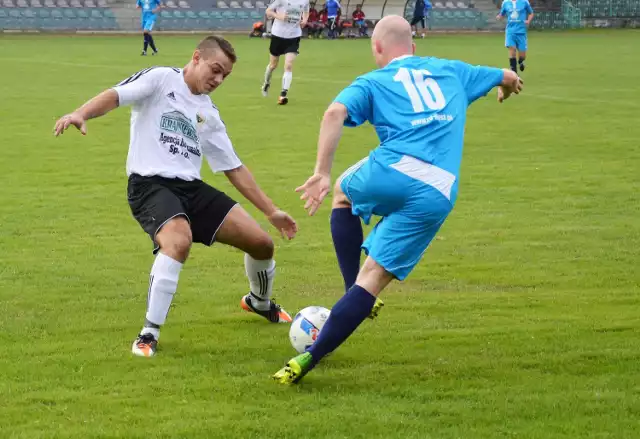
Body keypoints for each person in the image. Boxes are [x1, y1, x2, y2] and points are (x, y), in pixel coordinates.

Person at [272, 15, 523, 384]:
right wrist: (507, 83)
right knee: (372, 278)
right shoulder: (452, 70)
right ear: (414, 47)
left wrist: (322, 172)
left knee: (341, 190)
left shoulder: (374, 81)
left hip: (394, 171)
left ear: (377, 48)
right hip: (439, 191)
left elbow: (334, 113)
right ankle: (307, 360)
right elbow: (505, 74)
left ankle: (347, 290)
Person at [53, 36, 298, 358]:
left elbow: (233, 167)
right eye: (215, 70)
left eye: (225, 75)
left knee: (262, 243)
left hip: (191, 188)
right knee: (178, 242)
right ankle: (149, 332)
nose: (218, 79)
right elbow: (117, 95)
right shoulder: (160, 79)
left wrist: (271, 211)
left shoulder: (208, 112)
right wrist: (81, 113)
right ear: (196, 58)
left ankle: (259, 302)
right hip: (149, 184)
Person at [262, 0, 310, 105]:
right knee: (273, 65)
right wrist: (279, 16)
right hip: (278, 35)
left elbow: (306, 10)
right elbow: (268, 11)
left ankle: (283, 94)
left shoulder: (305, 1)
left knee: (288, 65)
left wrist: (305, 19)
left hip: (294, 36)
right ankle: (266, 83)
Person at [496, 0, 534, 73]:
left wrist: (528, 21)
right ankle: (514, 73)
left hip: (521, 32)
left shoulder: (524, 2)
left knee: (522, 56)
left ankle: (521, 61)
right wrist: (499, 17)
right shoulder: (505, 2)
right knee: (512, 49)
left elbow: (531, 13)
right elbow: (502, 14)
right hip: (510, 31)